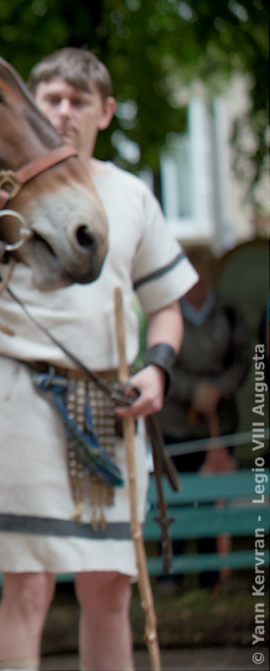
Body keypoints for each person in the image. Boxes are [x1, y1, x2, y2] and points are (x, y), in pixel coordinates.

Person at [0, 47, 197, 671]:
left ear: (106, 111)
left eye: (79, 100)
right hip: (27, 400)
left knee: (109, 590)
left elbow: (168, 307)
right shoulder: (3, 196)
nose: (65, 111)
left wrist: (157, 368)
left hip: (114, 409)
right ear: (33, 106)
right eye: (52, 98)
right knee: (29, 585)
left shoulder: (131, 196)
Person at [155, 243, 251, 590]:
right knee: (174, 496)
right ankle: (171, 572)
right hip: (176, 420)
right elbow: (159, 360)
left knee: (214, 497)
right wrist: (192, 390)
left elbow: (243, 358)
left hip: (216, 422)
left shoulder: (228, 311)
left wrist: (218, 389)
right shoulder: (167, 313)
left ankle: (213, 576)